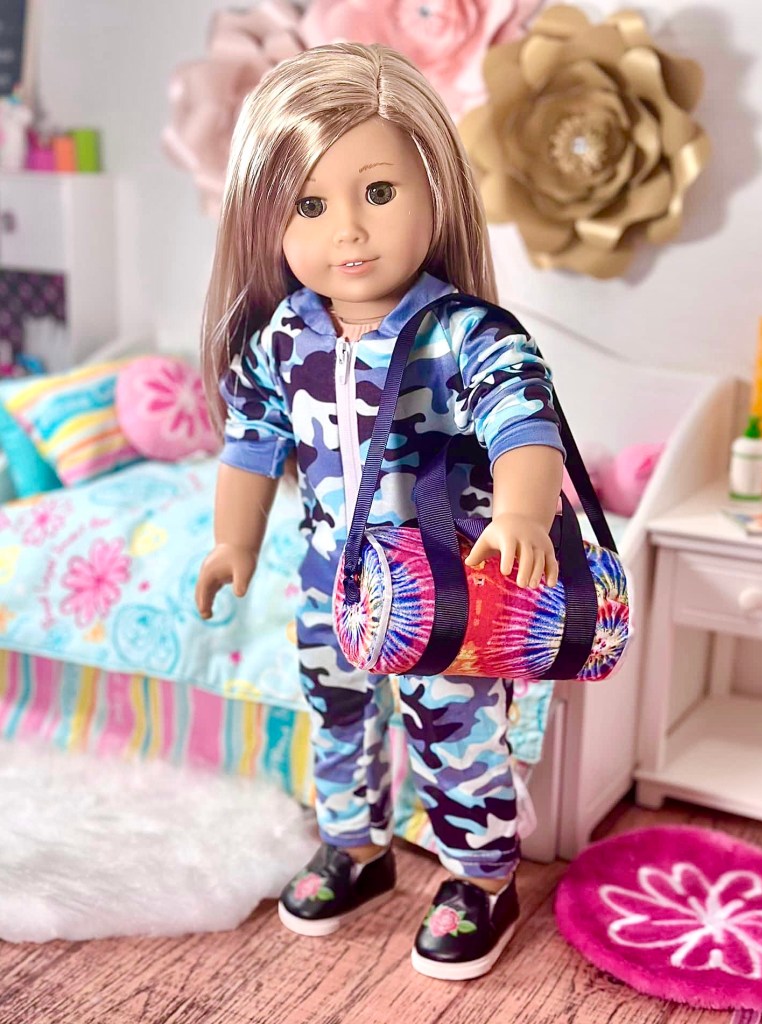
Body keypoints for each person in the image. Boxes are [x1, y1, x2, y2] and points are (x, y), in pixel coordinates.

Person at [195, 42, 564, 982]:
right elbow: (251, 441)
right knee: (338, 715)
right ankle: (354, 847)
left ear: (435, 189)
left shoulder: (463, 333)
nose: (349, 231)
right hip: (332, 581)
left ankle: (480, 877)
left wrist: (522, 515)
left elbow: (523, 420)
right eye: (310, 206)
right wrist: (232, 541)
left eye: (380, 192)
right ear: (265, 218)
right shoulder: (285, 336)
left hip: (445, 588)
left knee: (455, 728)